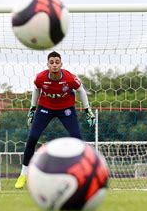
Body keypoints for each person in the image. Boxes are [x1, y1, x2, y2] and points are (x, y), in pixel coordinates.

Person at [14, 51, 95, 189]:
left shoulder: (70, 78)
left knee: (77, 138)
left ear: (61, 64)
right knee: (32, 138)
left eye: (57, 62)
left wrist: (87, 110)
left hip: (66, 109)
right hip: (45, 108)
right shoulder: (40, 77)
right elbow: (36, 89)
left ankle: (83, 173)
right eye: (51, 62)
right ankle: (23, 174)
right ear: (48, 65)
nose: (54, 65)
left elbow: (81, 90)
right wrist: (33, 108)